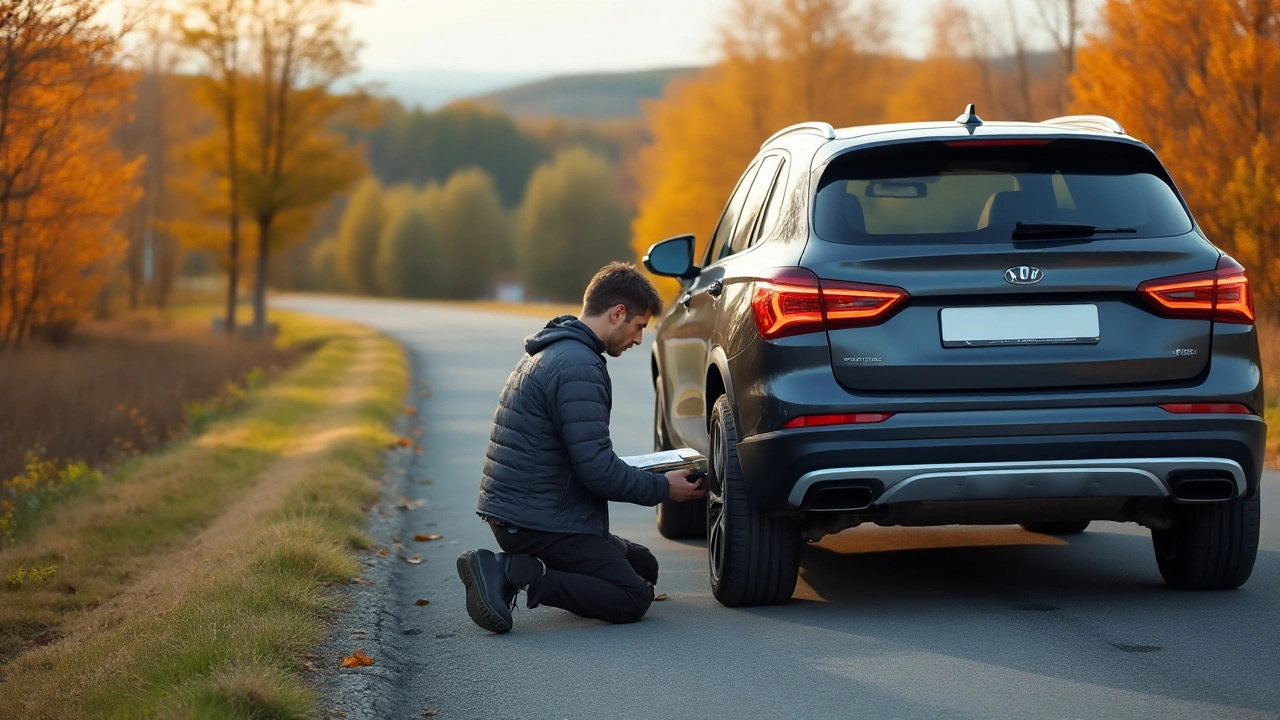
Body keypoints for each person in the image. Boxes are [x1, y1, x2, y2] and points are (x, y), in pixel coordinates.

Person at [456, 262, 706, 634]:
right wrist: (663, 488)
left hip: (535, 512)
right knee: (633, 597)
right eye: (639, 327)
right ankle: (515, 571)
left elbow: (587, 459)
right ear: (617, 313)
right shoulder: (578, 366)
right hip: (535, 522)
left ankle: (526, 566)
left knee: (645, 567)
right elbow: (597, 472)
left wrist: (648, 472)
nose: (639, 340)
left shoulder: (557, 350)